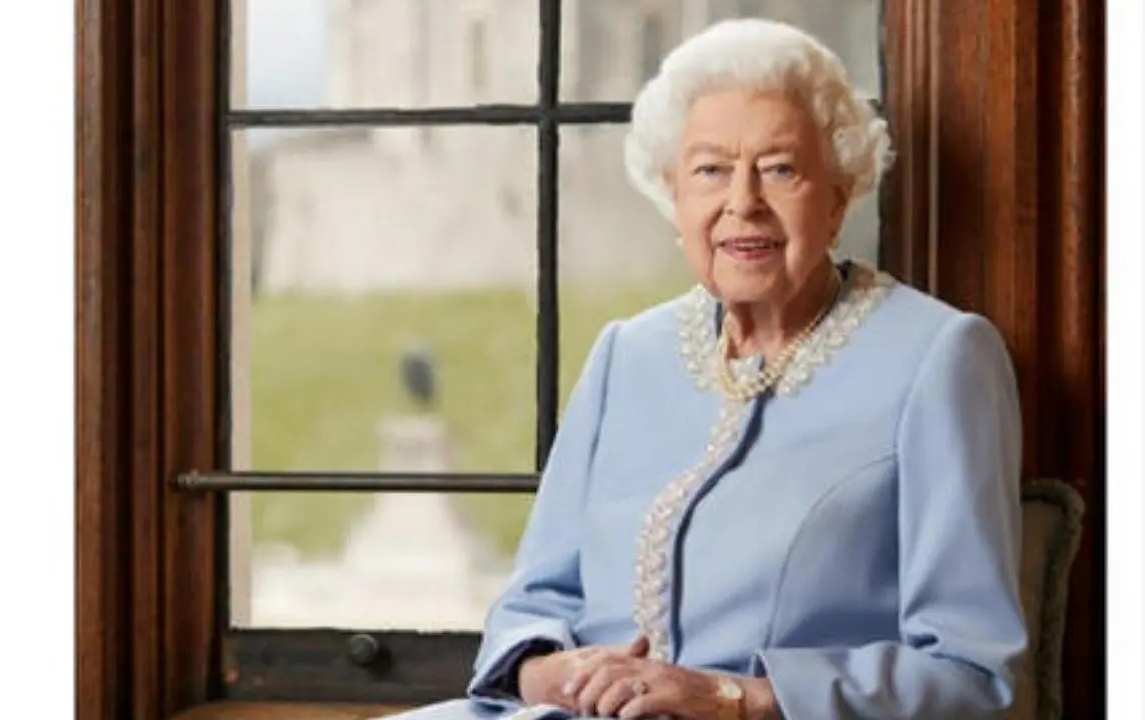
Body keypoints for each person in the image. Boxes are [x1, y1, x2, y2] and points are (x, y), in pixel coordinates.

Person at [391, 17, 1026, 720]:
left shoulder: (939, 357)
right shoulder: (625, 354)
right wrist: (550, 674)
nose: (742, 202)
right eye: (711, 170)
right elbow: (533, 603)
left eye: (780, 168)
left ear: (839, 197)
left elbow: (971, 674)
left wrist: (733, 697)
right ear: (676, 200)